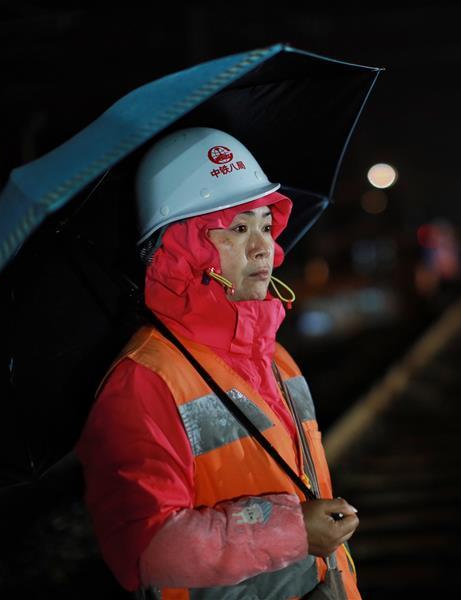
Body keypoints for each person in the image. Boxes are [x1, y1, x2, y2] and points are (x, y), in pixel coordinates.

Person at [74, 127, 361, 599]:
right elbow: (146, 547)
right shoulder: (143, 380)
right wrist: (290, 532)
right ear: (181, 250)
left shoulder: (276, 358)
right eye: (238, 228)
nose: (262, 247)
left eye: (266, 225)